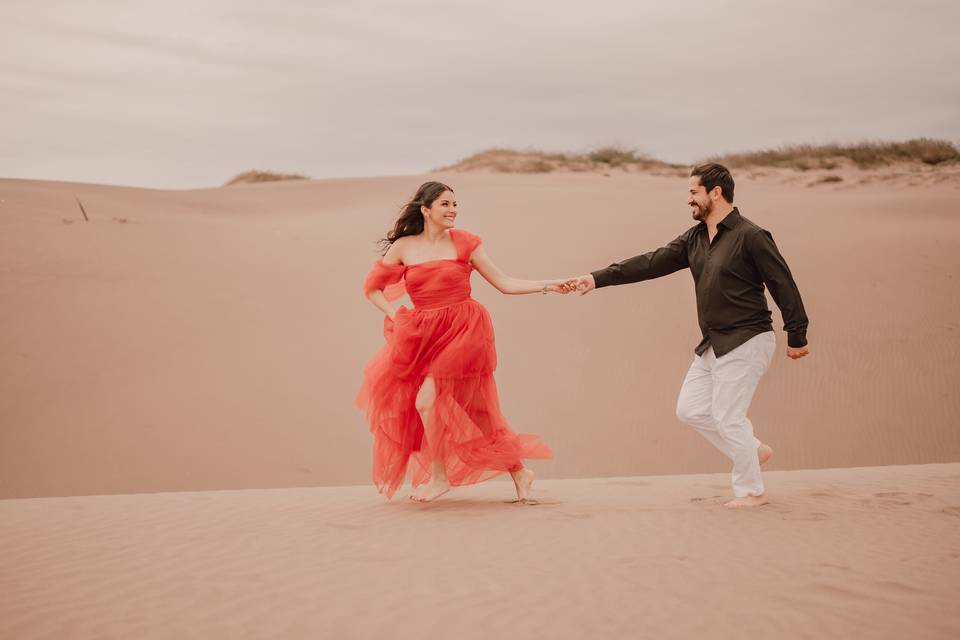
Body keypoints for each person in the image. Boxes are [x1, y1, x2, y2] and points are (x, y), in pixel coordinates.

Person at [563, 162, 810, 508]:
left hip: (748, 338)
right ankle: (752, 450)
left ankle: (752, 491)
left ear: (716, 192)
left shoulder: (751, 236)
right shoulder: (695, 238)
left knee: (727, 416)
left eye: (693, 192)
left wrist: (797, 334)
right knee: (690, 409)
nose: (689, 200)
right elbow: (651, 262)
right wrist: (597, 278)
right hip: (713, 343)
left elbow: (783, 283)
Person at [357, 181, 561, 503]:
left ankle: (439, 479)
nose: (453, 210)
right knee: (480, 413)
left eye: (455, 204)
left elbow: (505, 283)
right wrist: (393, 315)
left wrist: (549, 285)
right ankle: (520, 472)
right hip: (425, 335)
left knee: (426, 400)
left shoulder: (466, 242)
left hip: (466, 329)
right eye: (445, 204)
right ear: (426, 210)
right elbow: (372, 289)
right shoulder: (404, 248)